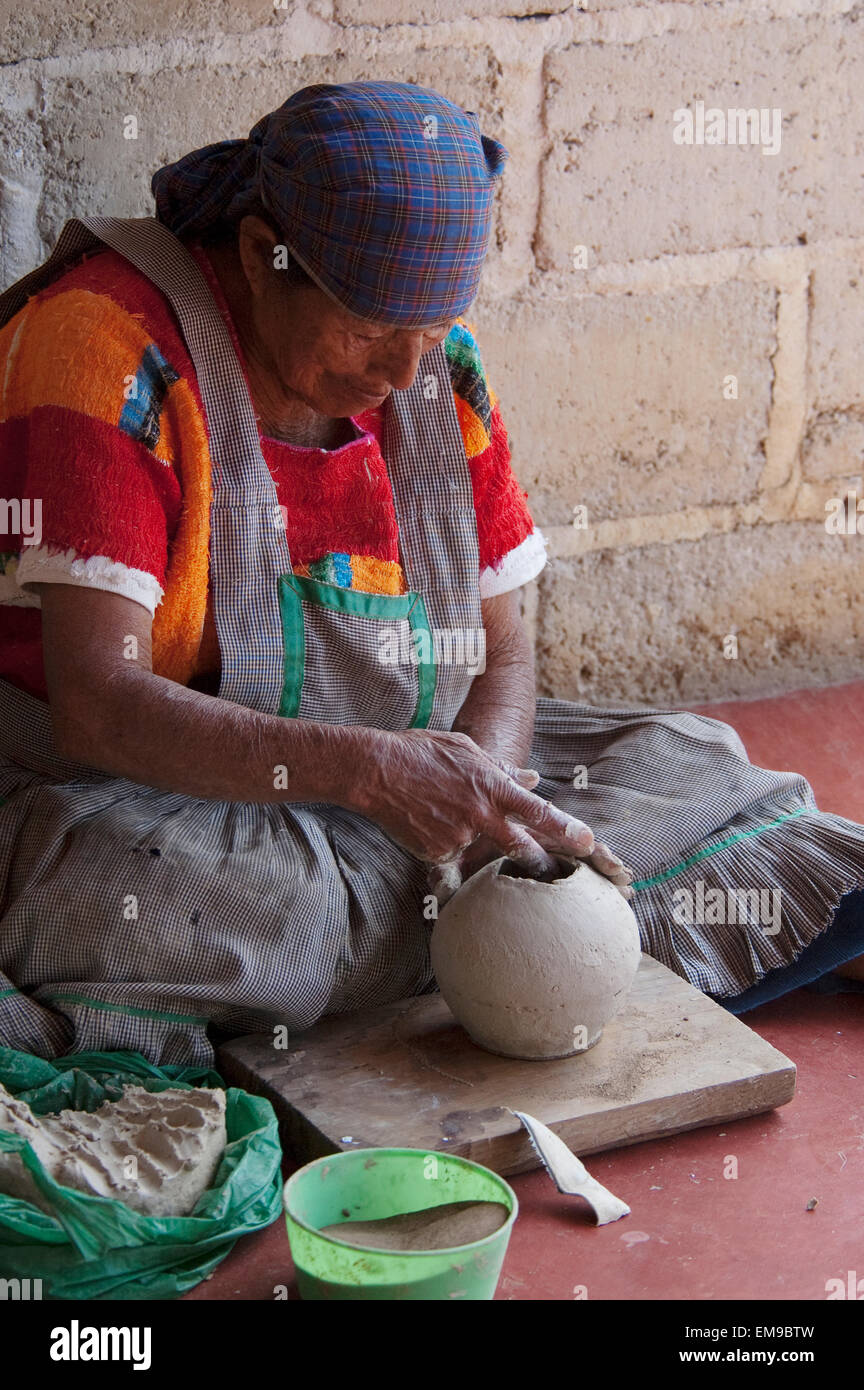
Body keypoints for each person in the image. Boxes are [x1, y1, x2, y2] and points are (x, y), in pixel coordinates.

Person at [0, 81, 862, 1067]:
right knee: (254, 913)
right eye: (369, 332)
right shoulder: (107, 345)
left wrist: (484, 791)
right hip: (120, 785)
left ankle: (444, 939)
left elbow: (504, 653)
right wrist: (371, 774)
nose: (404, 377)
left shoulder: (434, 364)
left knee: (697, 769)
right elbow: (99, 705)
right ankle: (462, 947)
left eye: (432, 332)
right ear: (259, 255)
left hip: (389, 770)